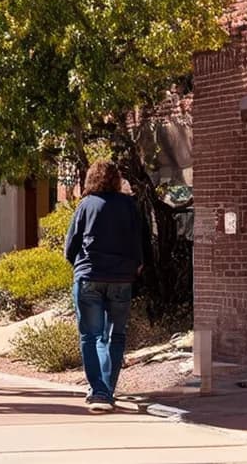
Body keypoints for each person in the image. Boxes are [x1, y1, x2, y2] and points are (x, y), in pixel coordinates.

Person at [63, 161, 143, 412]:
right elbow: (140, 240)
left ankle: (99, 391)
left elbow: (70, 246)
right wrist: (136, 266)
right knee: (116, 335)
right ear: (116, 179)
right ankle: (107, 389)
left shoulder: (86, 205)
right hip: (121, 278)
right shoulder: (129, 206)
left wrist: (79, 267)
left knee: (91, 335)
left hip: (90, 276)